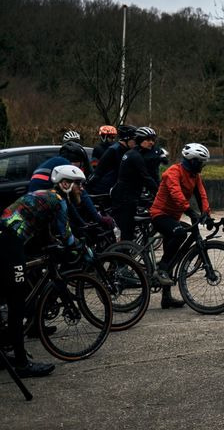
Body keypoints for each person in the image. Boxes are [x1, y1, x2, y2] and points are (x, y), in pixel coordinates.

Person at [0, 164, 89, 378]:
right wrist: (83, 249)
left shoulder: (44, 196)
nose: (81, 188)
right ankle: (22, 365)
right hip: (9, 244)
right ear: (65, 184)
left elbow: (44, 231)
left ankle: (0, 355)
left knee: (12, 297)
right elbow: (66, 236)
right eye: (78, 184)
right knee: (17, 304)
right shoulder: (58, 200)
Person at [150, 142, 214, 309]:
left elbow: (201, 195)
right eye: (201, 162)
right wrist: (190, 211)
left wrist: (206, 214)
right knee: (180, 234)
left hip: (173, 217)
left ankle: (166, 298)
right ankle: (161, 269)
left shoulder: (194, 176)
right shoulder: (173, 172)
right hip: (159, 214)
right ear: (192, 161)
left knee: (172, 254)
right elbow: (176, 193)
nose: (203, 166)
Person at [28, 142, 113, 232]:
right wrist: (98, 219)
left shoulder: (53, 162)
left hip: (32, 204)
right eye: (80, 165)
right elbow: (82, 195)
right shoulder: (65, 165)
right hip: (43, 203)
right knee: (69, 228)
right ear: (76, 161)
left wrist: (82, 223)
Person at [110, 126, 159, 243]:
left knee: (128, 231)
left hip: (126, 195)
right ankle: (121, 253)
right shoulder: (135, 156)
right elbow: (146, 178)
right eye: (148, 139)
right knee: (126, 233)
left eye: (153, 140)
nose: (152, 142)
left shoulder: (134, 153)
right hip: (125, 198)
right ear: (140, 140)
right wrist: (160, 193)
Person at [87, 124, 136, 194]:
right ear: (104, 137)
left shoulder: (121, 149)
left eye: (114, 138)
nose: (112, 140)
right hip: (105, 182)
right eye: (110, 138)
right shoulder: (100, 148)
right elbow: (97, 168)